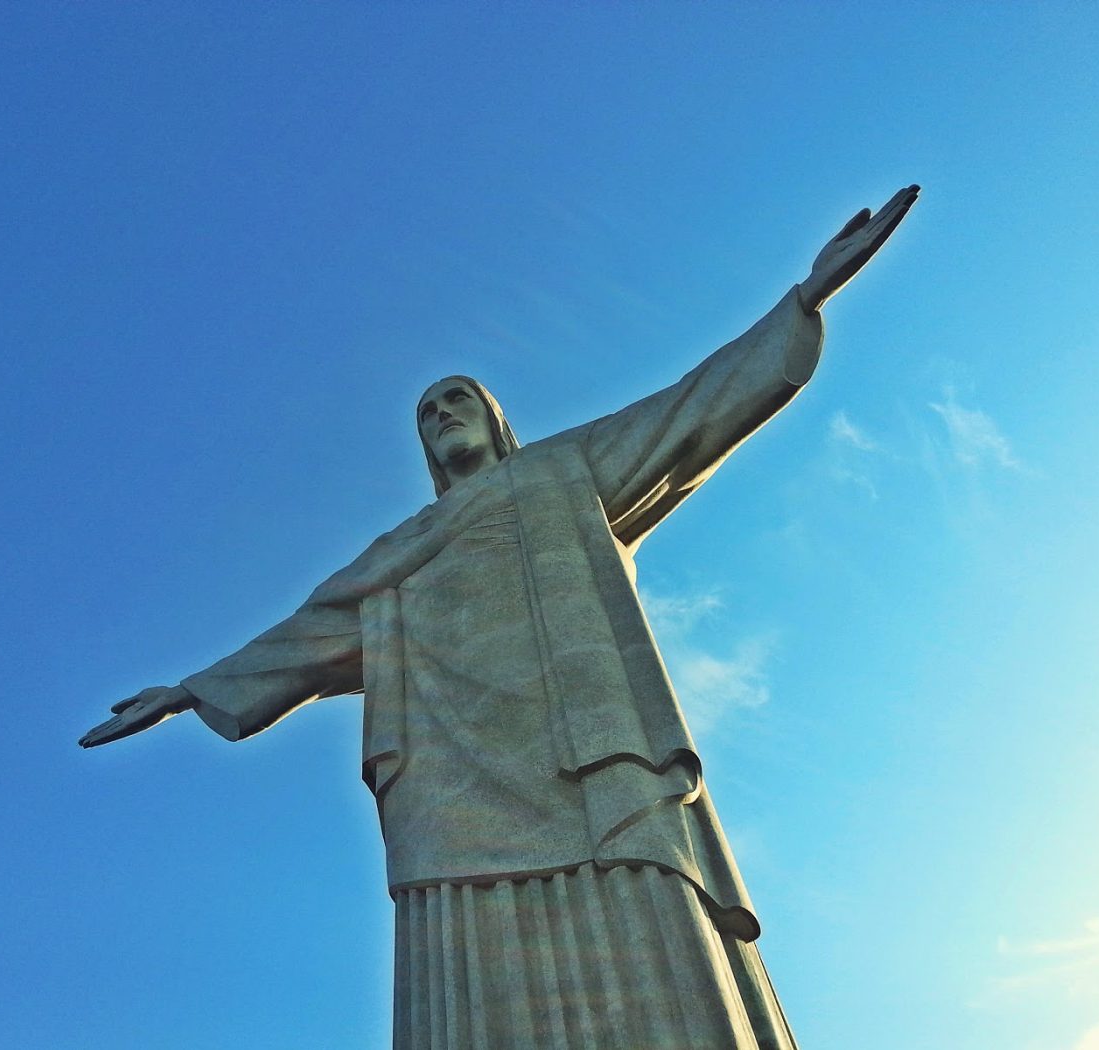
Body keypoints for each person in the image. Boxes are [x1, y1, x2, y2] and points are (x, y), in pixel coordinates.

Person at [81, 186, 919, 1049]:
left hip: (587, 748)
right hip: (448, 784)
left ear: (494, 418)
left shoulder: (565, 470)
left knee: (640, 894)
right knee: (463, 959)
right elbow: (308, 630)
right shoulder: (397, 549)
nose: (443, 415)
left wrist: (804, 300)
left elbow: (689, 410)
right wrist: (189, 690)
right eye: (428, 414)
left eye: (457, 400)